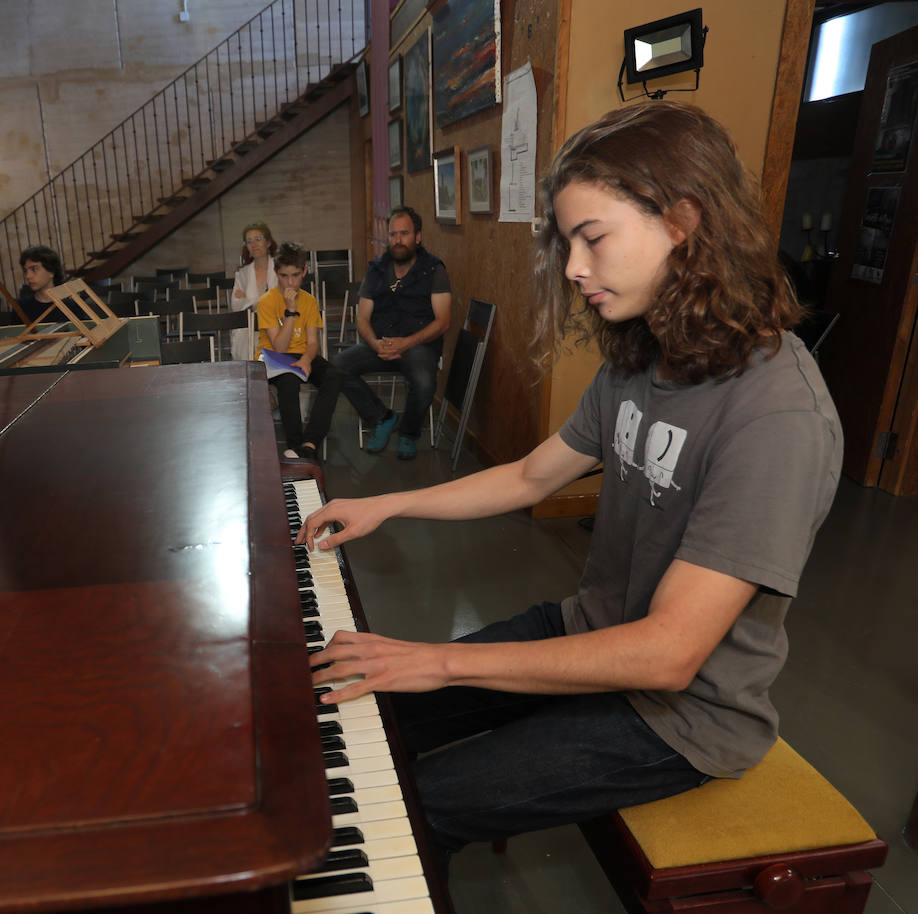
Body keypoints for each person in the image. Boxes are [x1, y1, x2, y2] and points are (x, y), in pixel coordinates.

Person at [297, 102, 843, 855]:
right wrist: (386, 504)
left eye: (592, 238)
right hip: (591, 633)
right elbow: (527, 476)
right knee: (367, 706)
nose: (576, 267)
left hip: (678, 715)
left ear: (682, 222)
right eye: (568, 243)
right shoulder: (642, 358)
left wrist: (441, 658)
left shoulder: (775, 413)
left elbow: (667, 654)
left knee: (405, 810)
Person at [332, 206, 452, 460]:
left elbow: (442, 322)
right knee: (337, 366)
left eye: (404, 233)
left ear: (417, 237)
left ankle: (408, 433)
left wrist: (406, 343)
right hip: (381, 344)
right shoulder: (376, 270)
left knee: (424, 381)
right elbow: (362, 318)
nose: (398, 240)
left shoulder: (434, 270)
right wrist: (376, 344)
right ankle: (383, 417)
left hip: (419, 345)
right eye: (393, 234)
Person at [255, 242, 344, 462]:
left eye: (295, 275)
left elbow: (313, 343)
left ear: (304, 271)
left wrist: (306, 359)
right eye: (284, 276)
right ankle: (294, 447)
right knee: (289, 382)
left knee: (333, 375)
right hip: (274, 357)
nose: (290, 282)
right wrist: (291, 311)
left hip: (302, 354)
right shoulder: (266, 302)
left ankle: (309, 445)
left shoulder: (310, 301)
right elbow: (280, 347)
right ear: (276, 273)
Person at [230, 222, 278, 360]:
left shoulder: (281, 269)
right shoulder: (242, 274)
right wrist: (263, 300)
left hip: (277, 323)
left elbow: (280, 302)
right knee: (243, 336)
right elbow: (236, 305)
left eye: (258, 239)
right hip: (249, 326)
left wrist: (249, 301)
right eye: (249, 241)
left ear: (268, 242)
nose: (254, 244)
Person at [16, 245, 67, 324]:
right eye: (26, 271)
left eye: (34, 269)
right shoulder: (21, 307)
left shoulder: (72, 306)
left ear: (51, 272)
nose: (28, 276)